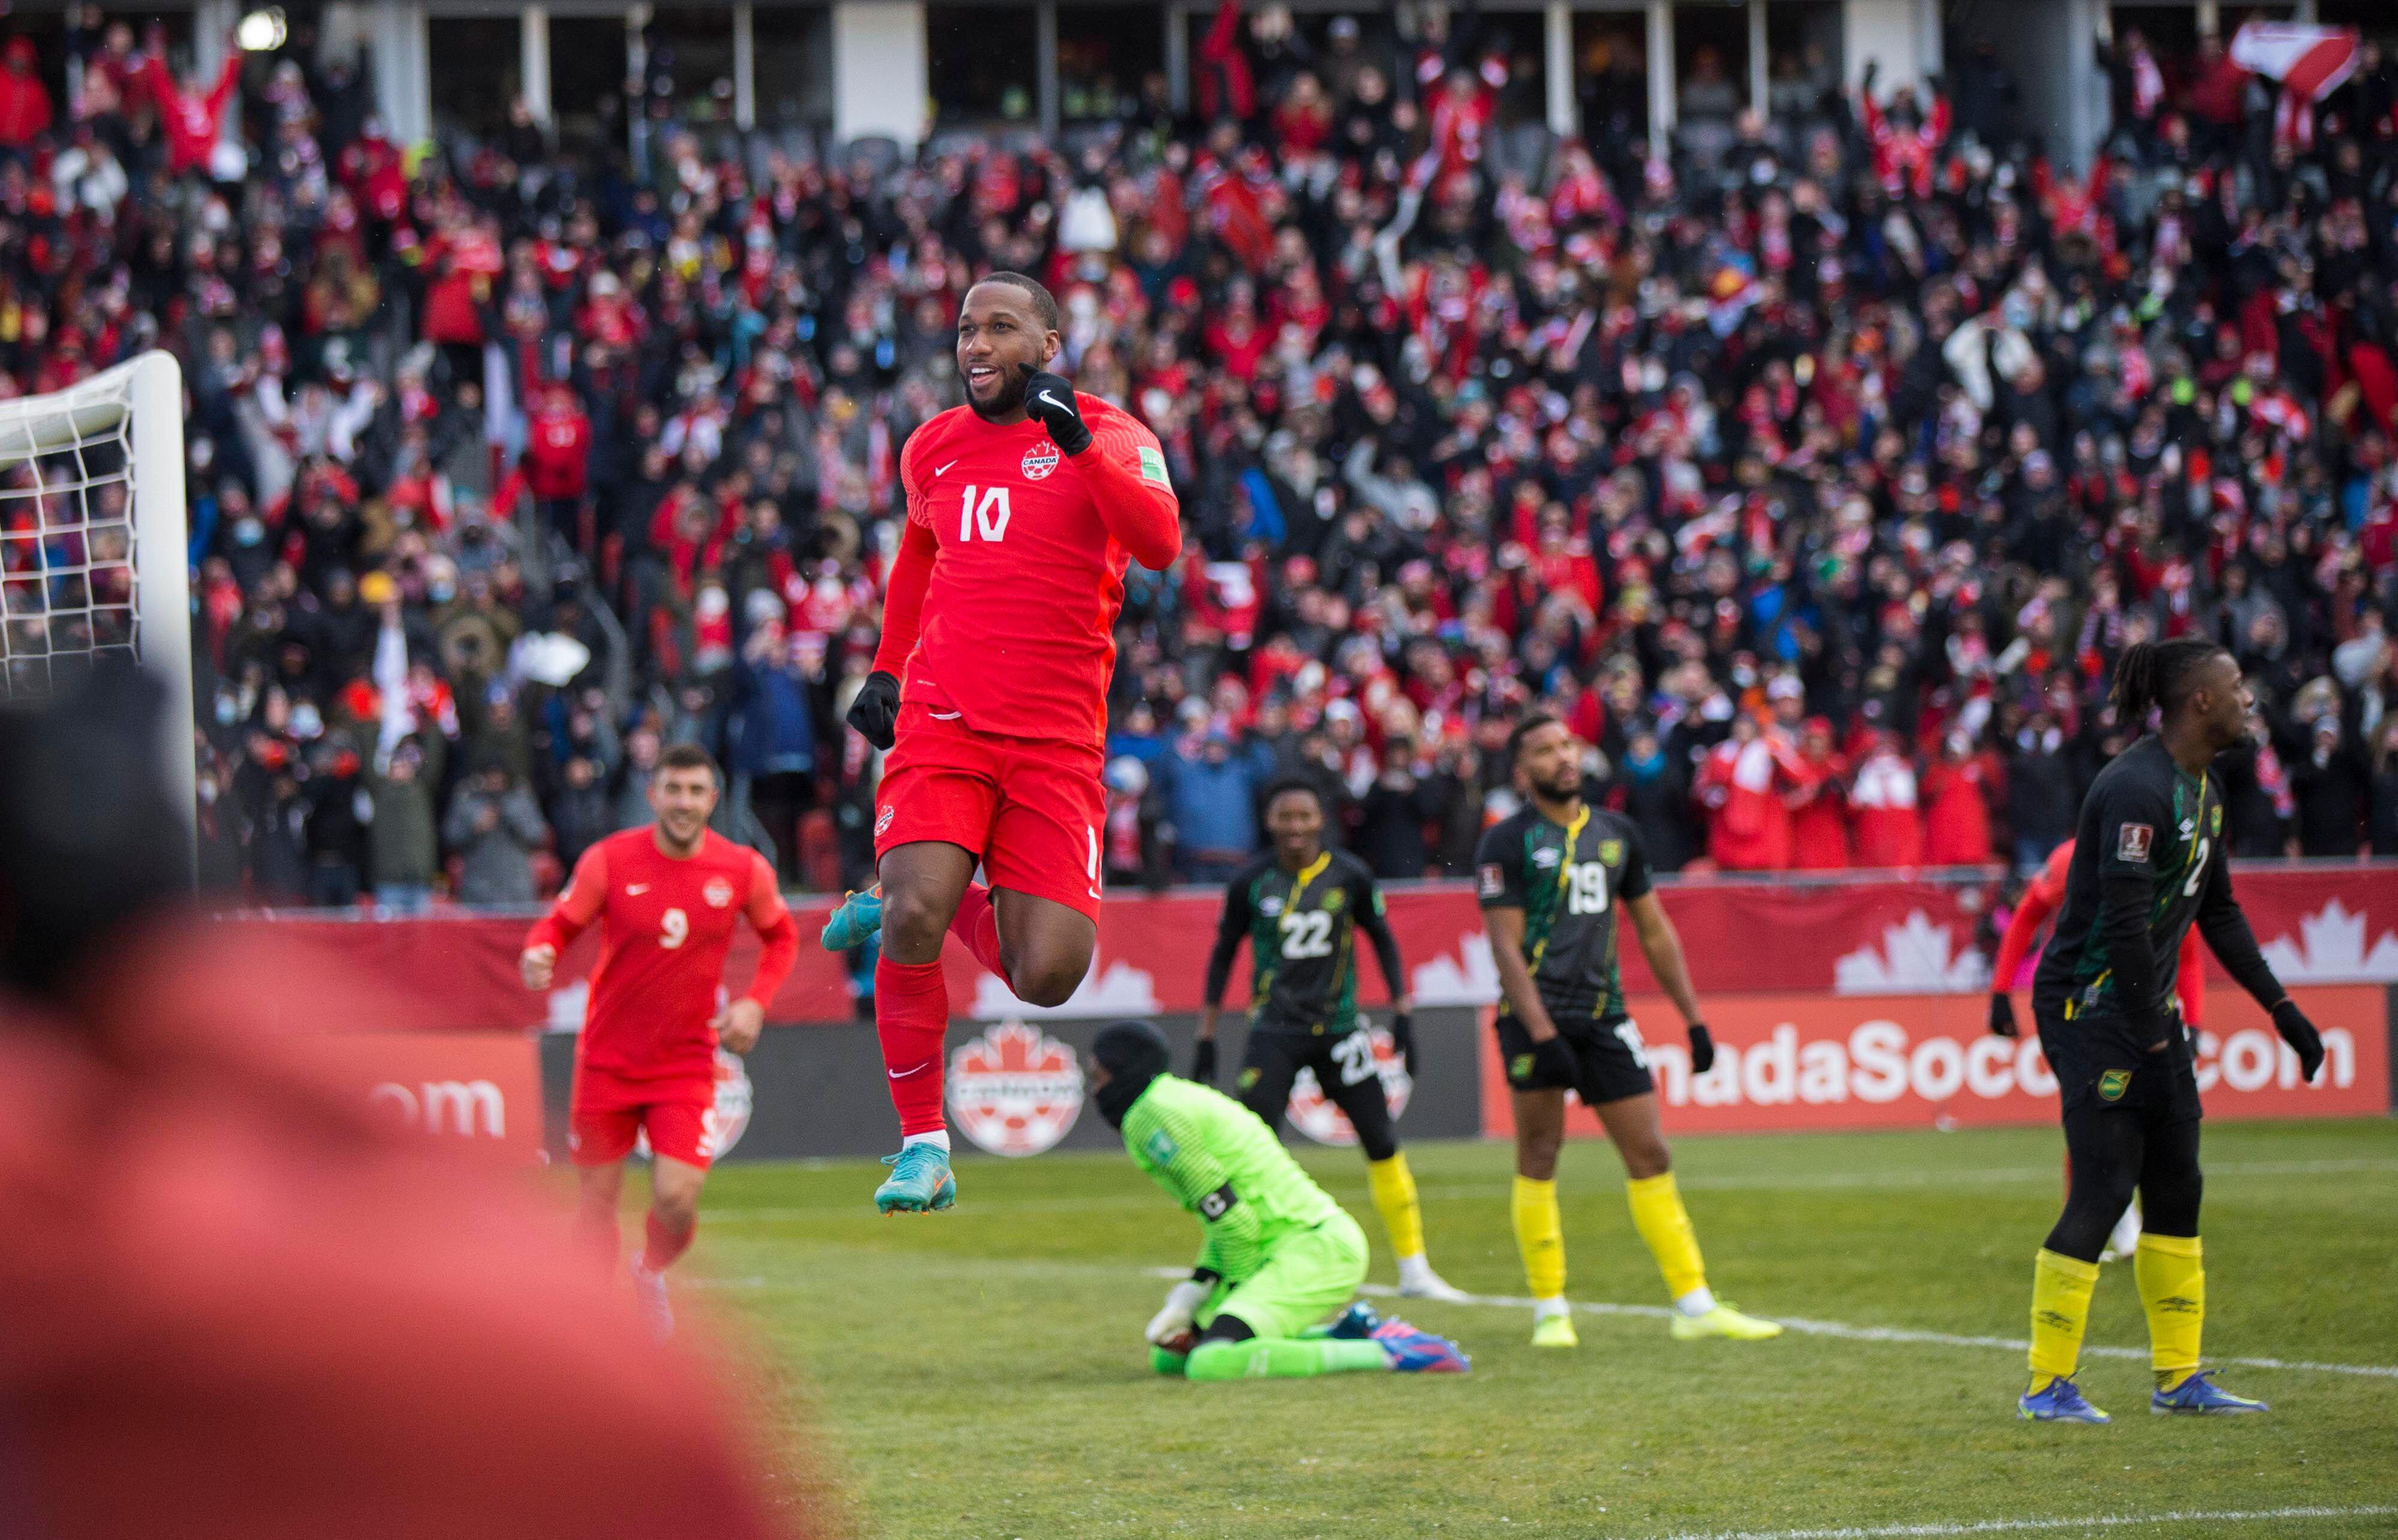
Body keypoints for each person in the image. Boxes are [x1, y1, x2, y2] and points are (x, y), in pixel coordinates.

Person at [819, 273, 1180, 1214]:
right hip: (945, 722)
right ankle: (923, 1147)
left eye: (1001, 328)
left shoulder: (1115, 435)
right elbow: (919, 558)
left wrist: (1075, 446)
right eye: (967, 329)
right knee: (915, 919)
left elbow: (1159, 543)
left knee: (1048, 975)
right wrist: (890, 669)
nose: (977, 345)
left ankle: (904, 898)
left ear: (1049, 347)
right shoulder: (932, 448)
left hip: (1059, 743)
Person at [2017, 639, 2326, 1424]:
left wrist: (2280, 1008)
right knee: (2106, 1183)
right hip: (2089, 1009)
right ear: (2199, 702)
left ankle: (2179, 1379)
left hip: (2147, 1012)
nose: (2248, 699)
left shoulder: (2206, 788)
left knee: (2179, 1183)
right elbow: (2121, 923)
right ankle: (2047, 1385)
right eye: (2236, 687)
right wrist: (2155, 1034)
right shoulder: (2135, 789)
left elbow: (2216, 910)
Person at [1475, 713, 1782, 1347]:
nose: (1563, 757)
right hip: (1534, 1021)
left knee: (1650, 1154)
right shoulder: (1505, 842)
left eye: (1566, 744)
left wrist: (1693, 1020)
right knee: (1538, 1155)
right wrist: (1540, 1032)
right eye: (1544, 750)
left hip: (1605, 1017)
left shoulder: (1618, 834)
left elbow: (1654, 930)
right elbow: (1504, 951)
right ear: (1522, 771)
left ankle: (1694, 1305)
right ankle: (1550, 1310)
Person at [520, 743, 800, 1338]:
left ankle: (648, 1272)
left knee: (677, 1197)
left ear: (712, 799)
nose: (683, 802)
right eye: (673, 789)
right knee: (596, 1202)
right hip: (607, 1061)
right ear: (654, 794)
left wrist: (755, 1002)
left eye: (696, 791)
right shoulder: (610, 860)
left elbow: (782, 936)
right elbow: (560, 922)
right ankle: (590, 1325)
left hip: (685, 1062)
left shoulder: (742, 869)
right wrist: (541, 950)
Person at [1193, 777, 1463, 1302]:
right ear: (1269, 823)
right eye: (1284, 817)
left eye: (1304, 817)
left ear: (1321, 820)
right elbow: (1223, 955)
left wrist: (1402, 1011)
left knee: (1383, 1142)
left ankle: (1415, 1270)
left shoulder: (1350, 874)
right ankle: (1243, 1264)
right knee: (1250, 1147)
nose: (1295, 827)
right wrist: (1206, 1035)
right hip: (1274, 1029)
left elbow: (1382, 939)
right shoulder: (1251, 881)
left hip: (1341, 1030)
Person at [1091, 1021, 1469, 1382]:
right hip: (1288, 1245)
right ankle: (1347, 1335)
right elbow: (1222, 1215)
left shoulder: (1152, 1115)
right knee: (1171, 1358)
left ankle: (1394, 1353)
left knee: (1211, 1362)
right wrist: (1196, 1288)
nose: (1096, 1089)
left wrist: (1229, 1290)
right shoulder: (1166, 1099)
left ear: (1123, 1070)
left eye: (1099, 1076)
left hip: (1313, 1249)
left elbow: (1234, 1221)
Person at [1989, 837, 2206, 1262]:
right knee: (2097, 1105)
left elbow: (2190, 951)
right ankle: (2106, 1225)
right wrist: (2000, 990)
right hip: (2072, 1002)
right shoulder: (2072, 860)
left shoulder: (2164, 871)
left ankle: (2109, 1221)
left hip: (2137, 1001)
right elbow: (2029, 912)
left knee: (2132, 1112)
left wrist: (2193, 1020)